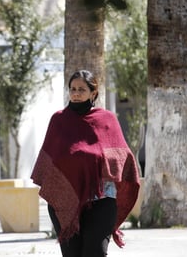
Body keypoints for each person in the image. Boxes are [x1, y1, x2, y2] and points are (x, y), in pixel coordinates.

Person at [31, 70, 140, 257]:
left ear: (93, 93)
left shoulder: (107, 120)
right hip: (64, 200)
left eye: (81, 89)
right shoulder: (59, 120)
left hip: (102, 200)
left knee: (95, 253)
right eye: (72, 89)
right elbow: (50, 162)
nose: (75, 93)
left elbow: (122, 156)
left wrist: (100, 161)